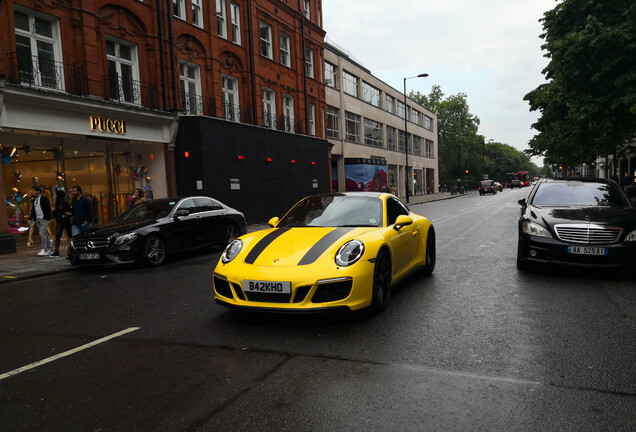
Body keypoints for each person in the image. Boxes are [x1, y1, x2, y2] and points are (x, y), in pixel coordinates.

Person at [29, 185, 53, 256]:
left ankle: (44, 249)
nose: (32, 192)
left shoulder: (44, 199)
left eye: (33, 190)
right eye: (32, 190)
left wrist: (45, 217)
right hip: (37, 219)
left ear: (38, 191)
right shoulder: (33, 200)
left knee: (41, 232)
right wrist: (30, 219)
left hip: (44, 219)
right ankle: (50, 249)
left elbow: (48, 209)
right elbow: (33, 211)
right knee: (44, 233)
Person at [50, 189, 72, 257]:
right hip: (62, 221)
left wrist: (54, 212)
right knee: (59, 235)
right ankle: (56, 251)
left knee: (62, 235)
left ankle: (57, 251)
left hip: (63, 220)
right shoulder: (60, 202)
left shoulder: (62, 202)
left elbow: (69, 211)